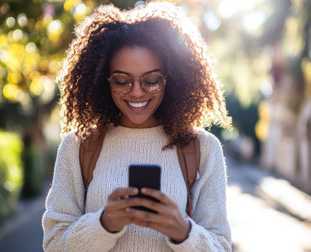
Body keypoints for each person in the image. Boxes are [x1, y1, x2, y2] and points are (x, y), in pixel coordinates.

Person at [42, 2, 232, 251]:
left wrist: (183, 232)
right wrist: (104, 224)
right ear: (104, 80)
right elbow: (54, 244)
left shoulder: (202, 148)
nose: (137, 92)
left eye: (152, 79)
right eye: (122, 80)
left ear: (171, 78)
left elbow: (221, 246)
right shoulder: (79, 146)